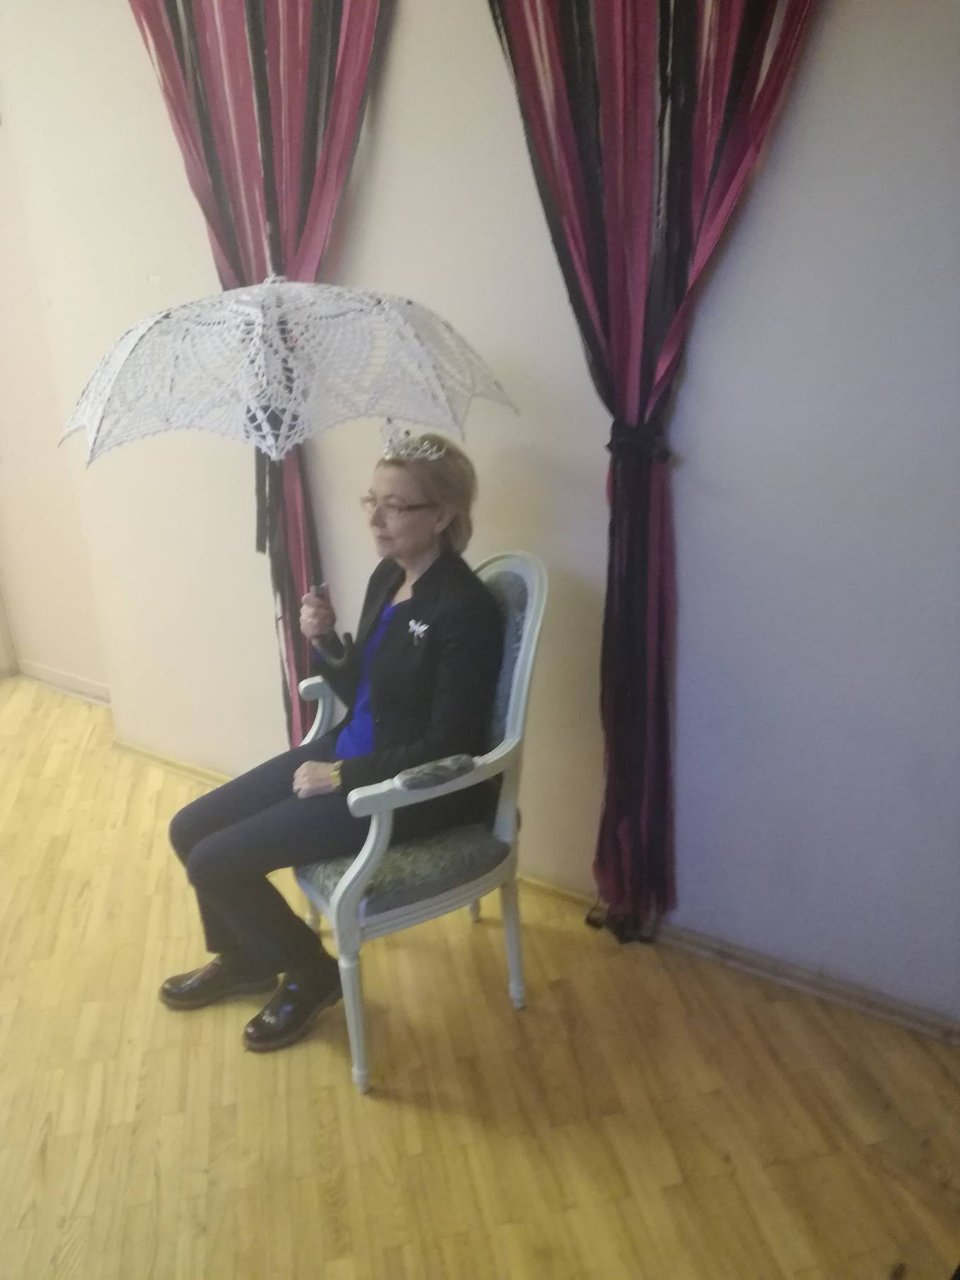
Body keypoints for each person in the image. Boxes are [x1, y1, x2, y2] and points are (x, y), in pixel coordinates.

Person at [159, 433, 503, 1052]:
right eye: (371, 500)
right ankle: (247, 959)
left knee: (214, 861)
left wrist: (342, 777)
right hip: (349, 751)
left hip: (407, 791)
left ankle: (312, 974)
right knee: (190, 828)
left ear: (442, 516)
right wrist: (324, 640)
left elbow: (449, 745)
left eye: (395, 506)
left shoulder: (464, 609)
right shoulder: (388, 577)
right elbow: (365, 688)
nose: (375, 518)